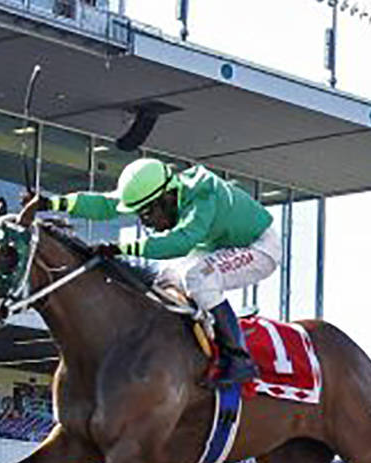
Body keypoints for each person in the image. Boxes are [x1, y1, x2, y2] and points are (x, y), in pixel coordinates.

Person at [47, 158, 279, 390]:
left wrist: (121, 248)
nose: (145, 221)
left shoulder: (202, 197)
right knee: (167, 279)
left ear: (168, 197)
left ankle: (239, 359)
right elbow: (105, 204)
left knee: (199, 278)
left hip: (259, 246)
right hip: (217, 243)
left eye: (148, 212)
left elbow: (181, 242)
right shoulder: (160, 188)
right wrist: (50, 203)